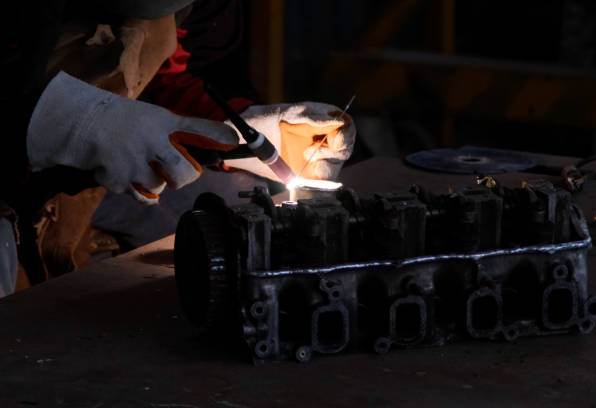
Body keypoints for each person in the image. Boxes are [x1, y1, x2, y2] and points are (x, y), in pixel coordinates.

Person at [0, 0, 356, 297]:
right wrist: (65, 121)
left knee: (237, 205)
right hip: (13, 164)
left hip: (101, 161)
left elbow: (173, 75)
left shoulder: (197, 7)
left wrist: (237, 125)